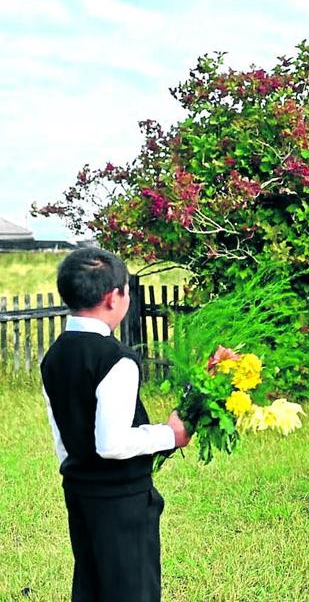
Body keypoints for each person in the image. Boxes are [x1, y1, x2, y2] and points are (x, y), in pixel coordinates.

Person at [40, 247, 190, 602]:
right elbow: (112, 443)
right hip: (121, 500)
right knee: (131, 589)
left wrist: (77, 469)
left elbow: (60, 433)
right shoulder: (117, 360)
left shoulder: (55, 354)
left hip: (79, 491)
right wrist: (170, 434)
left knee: (92, 585)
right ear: (113, 297)